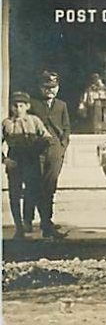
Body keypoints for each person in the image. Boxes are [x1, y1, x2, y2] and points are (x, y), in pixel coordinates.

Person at [2, 92, 51, 239]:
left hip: (32, 160)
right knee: (14, 195)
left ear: (27, 106)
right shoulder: (6, 123)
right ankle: (19, 228)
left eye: (21, 106)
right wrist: (5, 160)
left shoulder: (34, 121)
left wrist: (38, 149)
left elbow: (47, 138)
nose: (18, 109)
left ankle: (36, 223)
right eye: (15, 106)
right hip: (15, 162)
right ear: (11, 107)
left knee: (34, 193)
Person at [29, 71, 70, 238]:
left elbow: (66, 127)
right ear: (40, 88)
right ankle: (45, 223)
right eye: (46, 88)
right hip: (38, 151)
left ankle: (47, 221)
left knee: (50, 186)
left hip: (55, 151)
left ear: (58, 88)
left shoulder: (61, 105)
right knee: (39, 187)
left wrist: (63, 146)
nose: (50, 91)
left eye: (53, 87)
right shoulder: (32, 104)